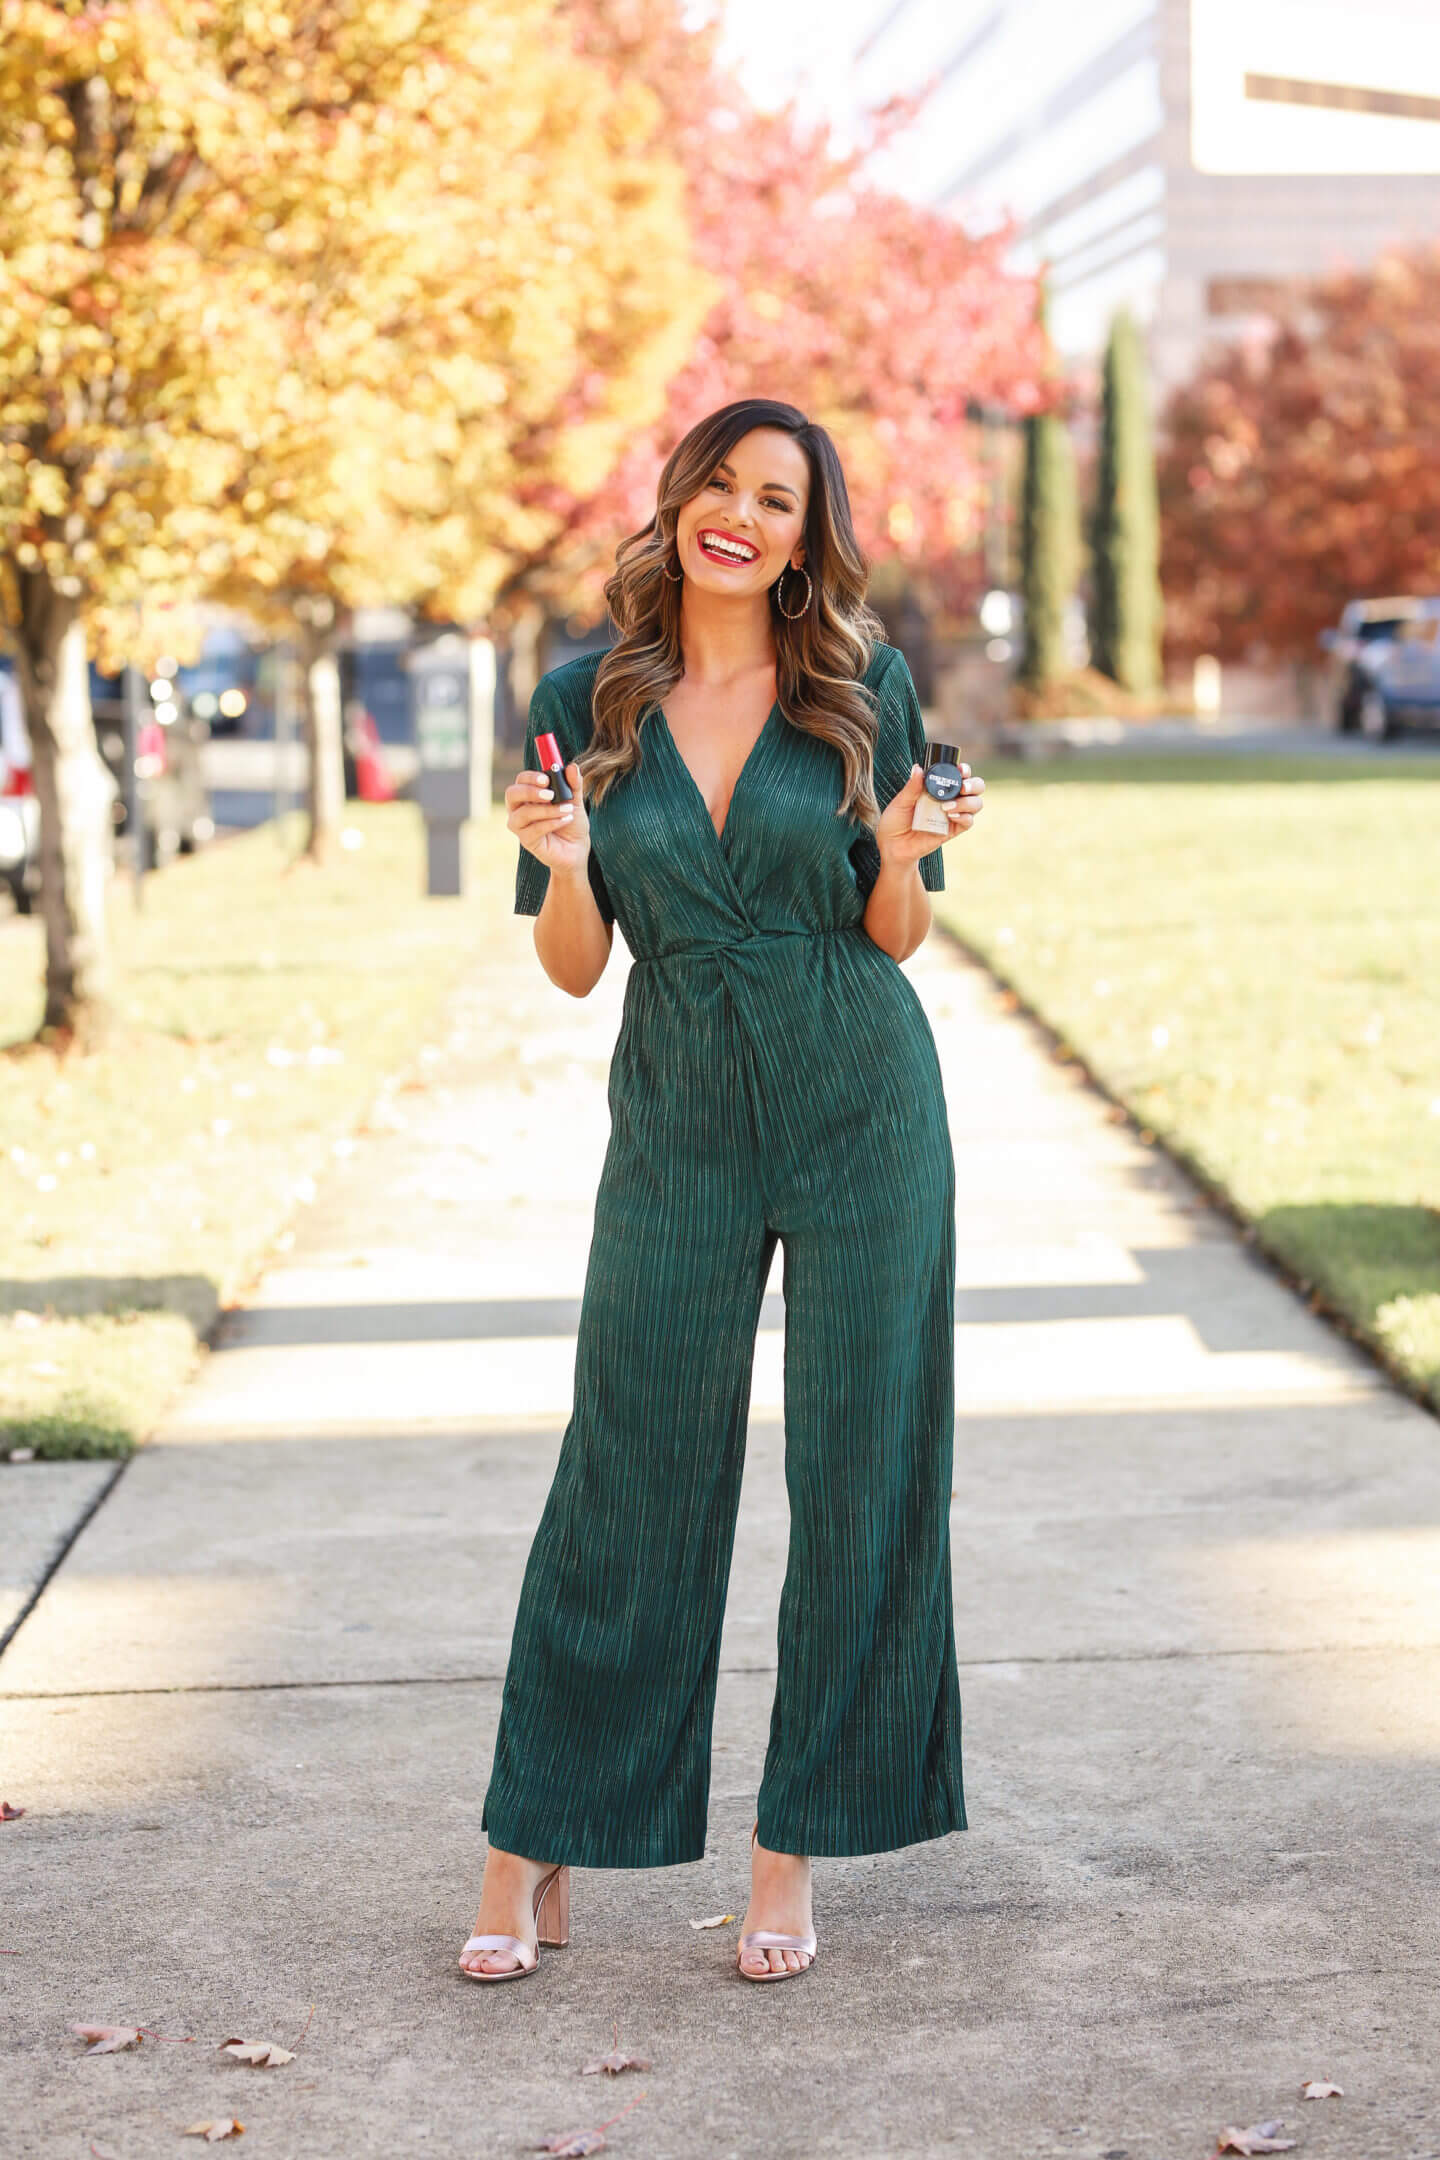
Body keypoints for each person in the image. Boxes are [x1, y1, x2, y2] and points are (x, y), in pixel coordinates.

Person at [459, 398, 984, 1987]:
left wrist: (902, 849)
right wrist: (560, 866)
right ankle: (533, 1843)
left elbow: (896, 931)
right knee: (629, 1468)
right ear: (680, 499)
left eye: (778, 497)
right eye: (721, 483)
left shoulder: (860, 687)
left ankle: (789, 1852)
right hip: (678, 1112)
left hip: (860, 1100)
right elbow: (572, 969)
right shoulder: (583, 696)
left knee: (861, 1471)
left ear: (806, 537)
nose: (739, 514)